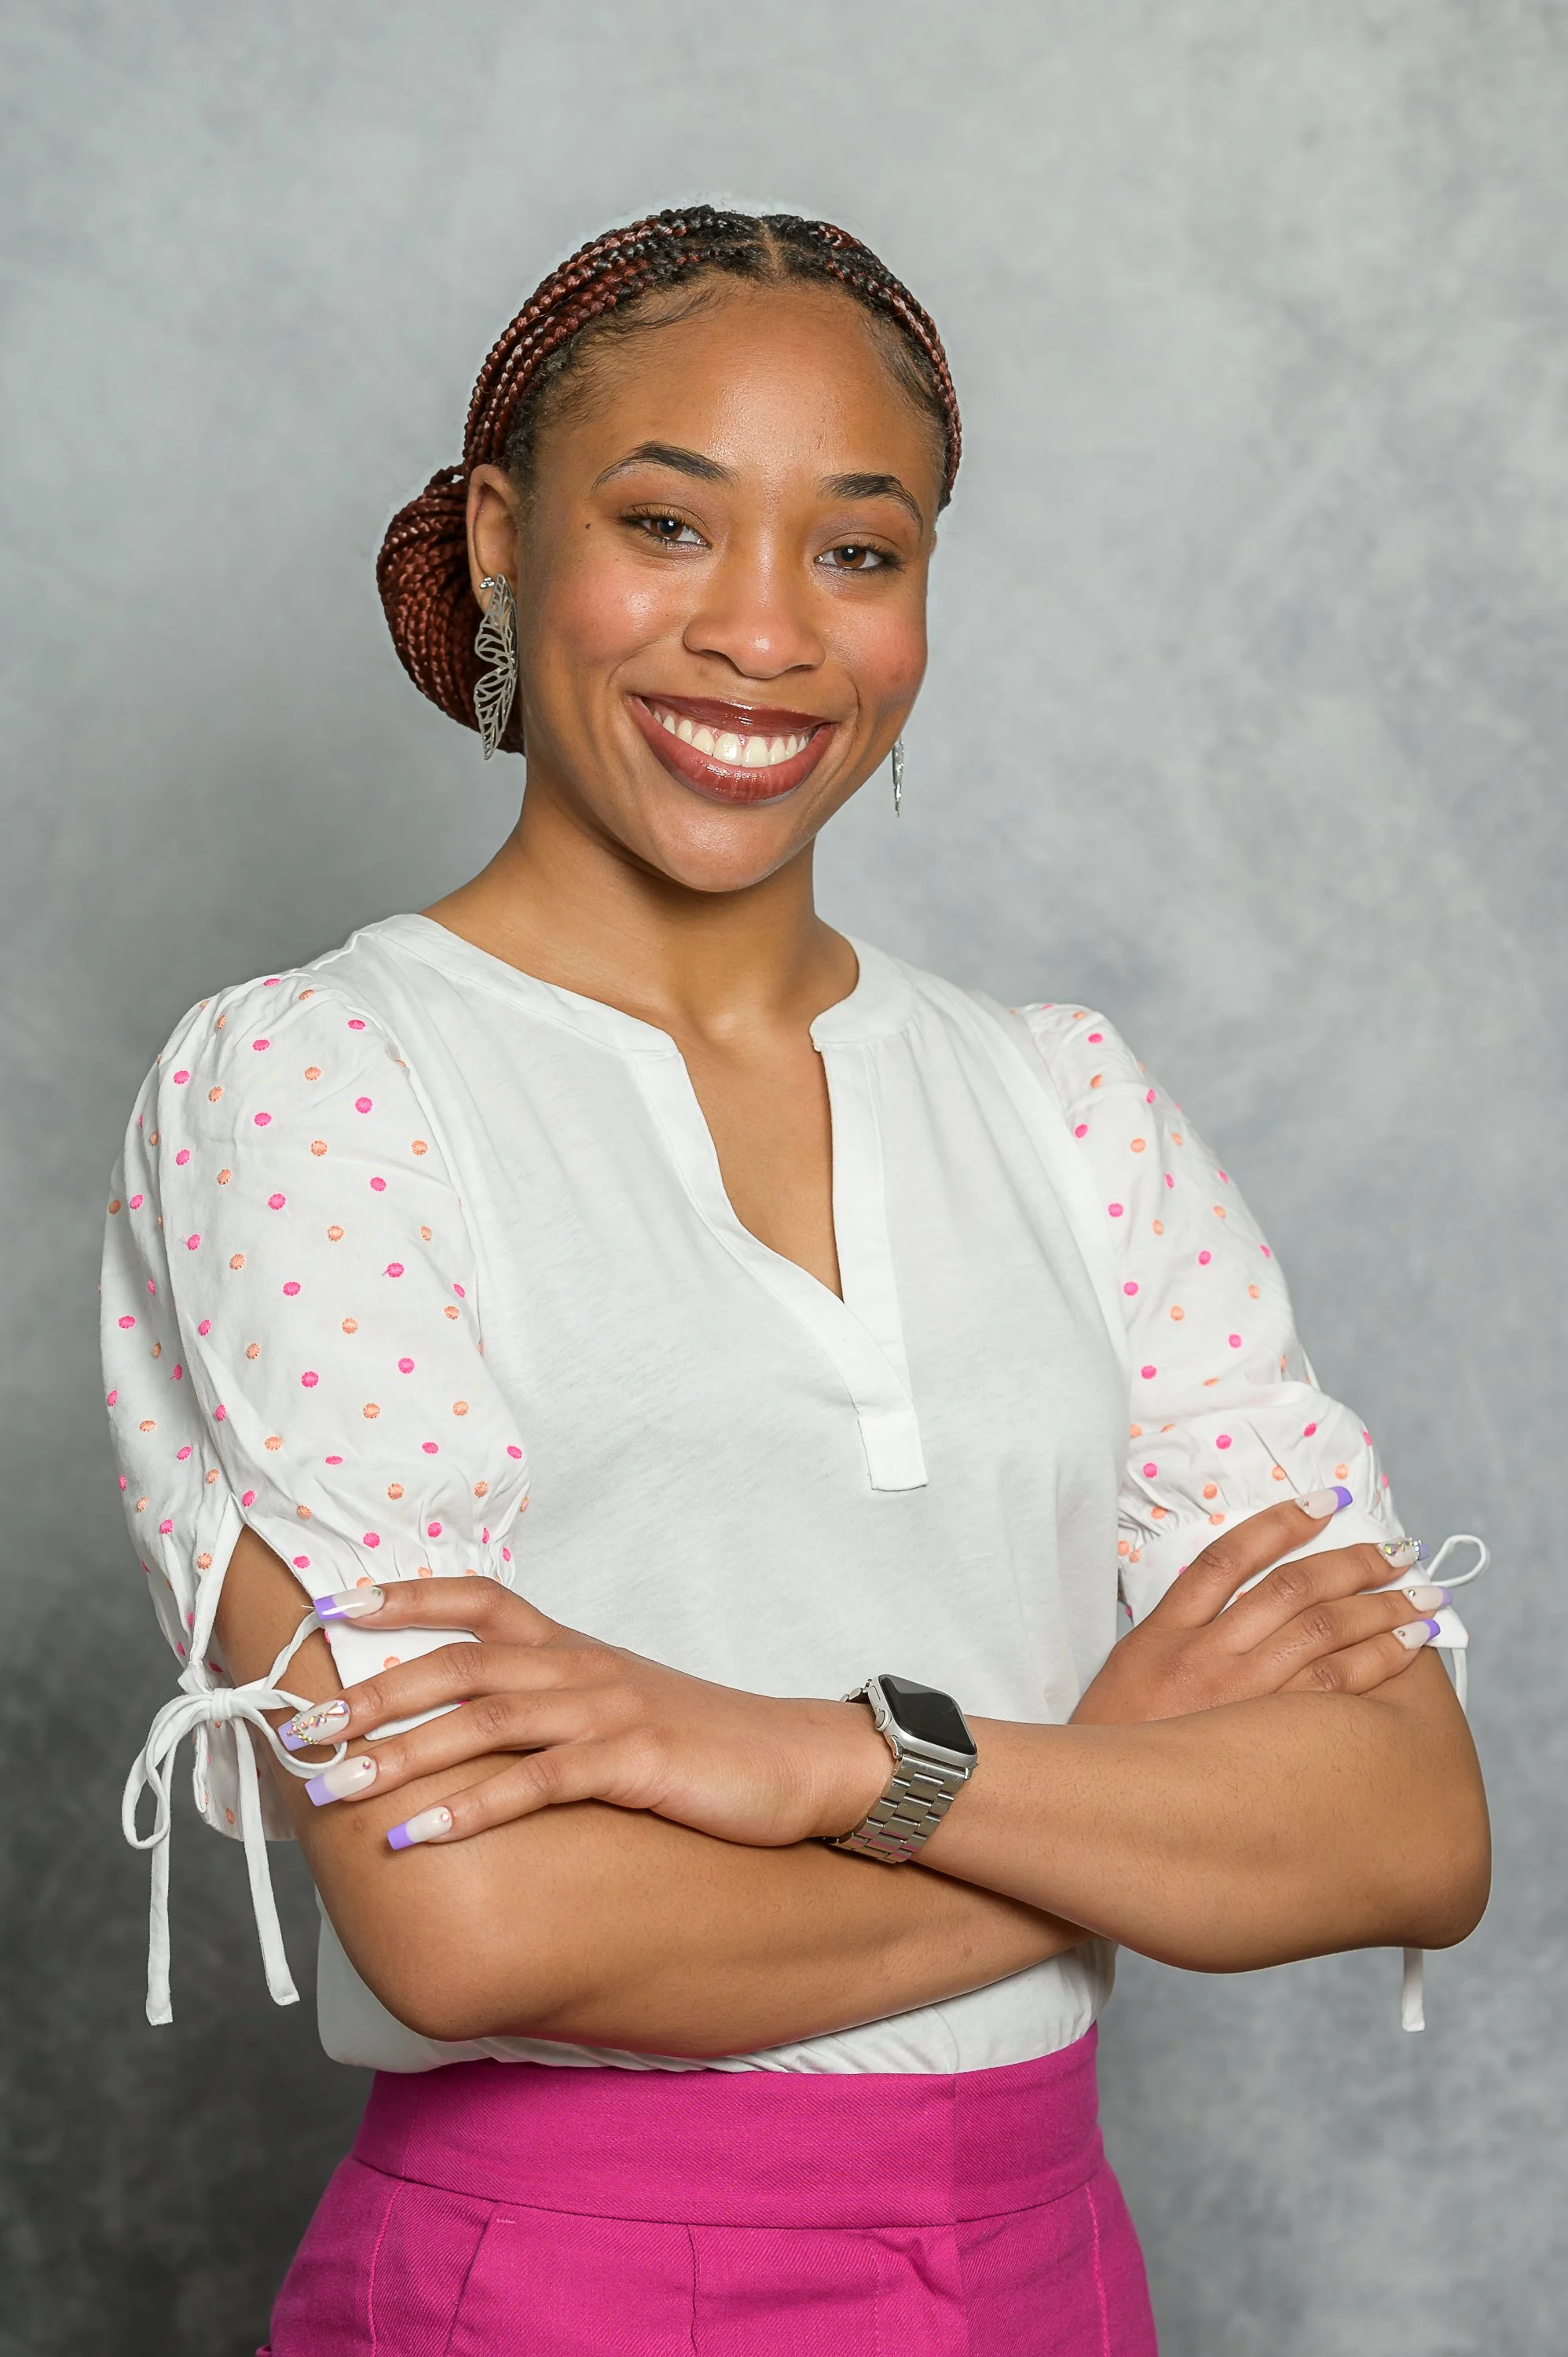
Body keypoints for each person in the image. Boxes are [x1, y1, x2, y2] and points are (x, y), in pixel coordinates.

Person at [106, 207, 1488, 2355]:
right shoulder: (318, 1090)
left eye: (856, 550)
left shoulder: (1069, 1110)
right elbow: (473, 1931)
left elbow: (1398, 1825)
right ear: (498, 541)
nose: (760, 632)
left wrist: (832, 1763)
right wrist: (1094, 1797)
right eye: (665, 523)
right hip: (561, 2287)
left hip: (1050, 2274)